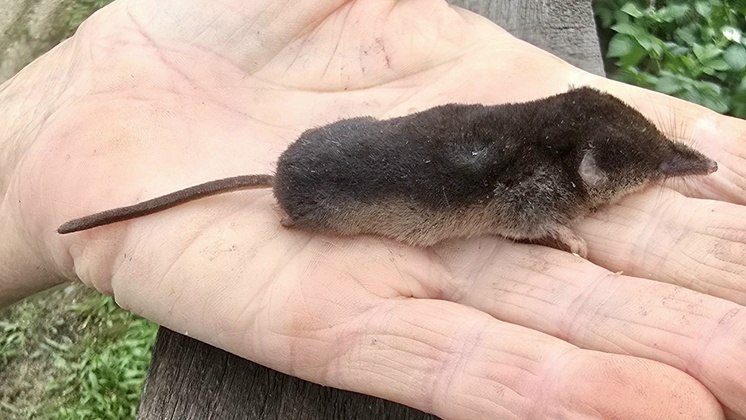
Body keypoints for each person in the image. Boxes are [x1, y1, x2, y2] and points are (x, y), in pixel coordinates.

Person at [1, 1, 744, 418]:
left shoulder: (540, 135)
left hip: (323, 160)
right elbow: (524, 215)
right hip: (317, 196)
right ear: (587, 172)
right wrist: (552, 232)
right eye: (649, 170)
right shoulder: (542, 186)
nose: (664, 172)